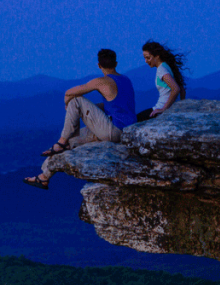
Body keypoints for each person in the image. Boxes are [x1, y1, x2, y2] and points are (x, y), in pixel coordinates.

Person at [23, 49, 136, 190]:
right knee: (73, 141)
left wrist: (68, 103)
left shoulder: (101, 81)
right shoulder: (126, 80)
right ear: (116, 63)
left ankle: (61, 142)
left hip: (112, 130)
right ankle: (44, 177)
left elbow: (69, 93)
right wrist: (89, 112)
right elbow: (116, 106)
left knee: (76, 101)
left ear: (99, 65)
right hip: (125, 131)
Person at [137, 40, 187, 122]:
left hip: (161, 108)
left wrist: (164, 109)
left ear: (157, 56)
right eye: (145, 58)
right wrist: (180, 106)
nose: (146, 61)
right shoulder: (167, 66)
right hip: (171, 109)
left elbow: (176, 89)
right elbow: (182, 90)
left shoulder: (162, 70)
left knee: (133, 121)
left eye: (148, 58)